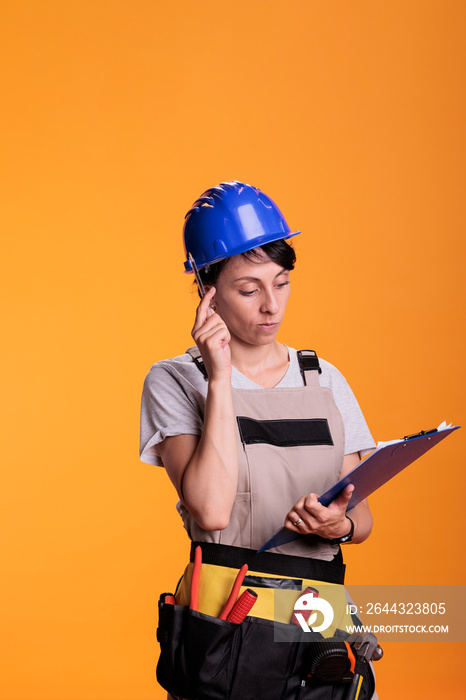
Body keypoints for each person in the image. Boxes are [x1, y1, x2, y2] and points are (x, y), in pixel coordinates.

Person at [140, 181, 378, 699]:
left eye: (282, 282)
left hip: (320, 616)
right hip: (228, 622)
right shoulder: (175, 381)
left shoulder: (325, 378)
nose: (271, 305)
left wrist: (341, 523)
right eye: (249, 289)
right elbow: (211, 511)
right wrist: (220, 377)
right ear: (208, 290)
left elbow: (362, 518)